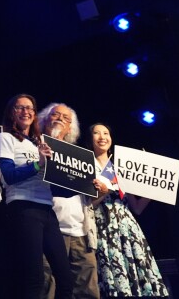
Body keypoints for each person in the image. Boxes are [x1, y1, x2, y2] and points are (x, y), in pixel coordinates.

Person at [0, 94, 73, 299]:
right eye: (19, 108)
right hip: (23, 208)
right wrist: (38, 164)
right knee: (34, 278)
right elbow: (9, 176)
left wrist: (83, 185)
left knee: (65, 278)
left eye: (30, 108)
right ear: (11, 113)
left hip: (47, 209)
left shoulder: (39, 143)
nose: (26, 112)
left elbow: (57, 186)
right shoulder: (6, 138)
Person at [88, 123, 169, 297]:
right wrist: (108, 189)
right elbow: (88, 204)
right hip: (103, 227)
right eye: (96, 133)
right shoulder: (87, 166)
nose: (102, 137)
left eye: (106, 133)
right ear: (90, 139)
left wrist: (153, 187)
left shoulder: (121, 167)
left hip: (127, 228)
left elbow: (137, 208)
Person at [37, 103, 104, 299]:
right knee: (47, 286)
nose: (59, 119)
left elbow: (89, 198)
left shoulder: (79, 156)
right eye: (55, 114)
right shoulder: (34, 146)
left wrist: (101, 191)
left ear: (70, 128)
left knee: (88, 289)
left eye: (66, 118)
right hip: (49, 228)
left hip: (80, 231)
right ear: (44, 120)